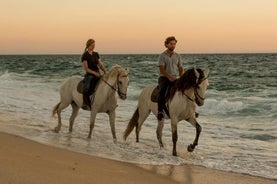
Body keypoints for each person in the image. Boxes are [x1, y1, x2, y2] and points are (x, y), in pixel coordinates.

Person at [157, 36, 184, 120]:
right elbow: (161, 69)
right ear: (166, 45)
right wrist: (168, 76)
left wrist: (181, 77)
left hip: (175, 78)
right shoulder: (162, 56)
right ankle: (160, 111)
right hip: (164, 78)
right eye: (171, 44)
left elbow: (180, 67)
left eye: (174, 44)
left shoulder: (177, 56)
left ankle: (189, 110)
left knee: (185, 90)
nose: (173, 46)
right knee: (162, 92)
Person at [81, 38, 107, 110]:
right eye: (92, 45)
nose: (93, 47)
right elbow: (86, 68)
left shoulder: (96, 54)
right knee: (87, 88)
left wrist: (105, 72)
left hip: (97, 73)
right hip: (90, 74)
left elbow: (100, 65)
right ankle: (86, 103)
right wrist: (94, 73)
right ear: (88, 46)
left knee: (106, 84)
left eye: (94, 45)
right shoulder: (85, 55)